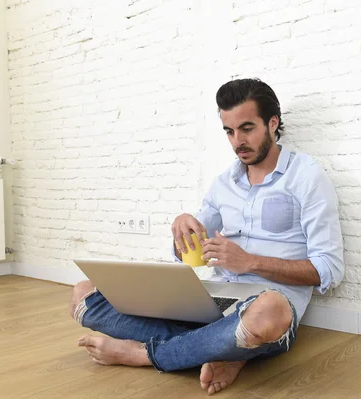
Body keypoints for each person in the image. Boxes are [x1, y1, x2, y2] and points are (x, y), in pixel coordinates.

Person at [70, 78, 345, 395]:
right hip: (213, 301)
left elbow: (329, 270)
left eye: (247, 128)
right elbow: (192, 248)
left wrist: (250, 262)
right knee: (84, 295)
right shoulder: (224, 182)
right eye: (229, 131)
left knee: (269, 313)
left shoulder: (307, 177)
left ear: (273, 123)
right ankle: (225, 350)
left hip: (266, 305)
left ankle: (145, 353)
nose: (237, 141)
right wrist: (182, 229)